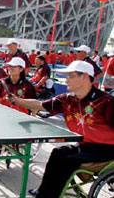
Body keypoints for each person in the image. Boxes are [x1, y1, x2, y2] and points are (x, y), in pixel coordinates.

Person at [9, 61, 114, 198]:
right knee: (58, 152)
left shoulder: (106, 102)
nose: (66, 80)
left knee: (67, 161)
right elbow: (40, 105)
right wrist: (17, 101)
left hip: (107, 150)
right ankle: (44, 192)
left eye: (71, 76)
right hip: (85, 145)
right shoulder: (68, 99)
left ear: (85, 77)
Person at [0, 57, 36, 161]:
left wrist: (33, 120)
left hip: (20, 119)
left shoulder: (28, 86)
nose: (10, 68)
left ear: (21, 69)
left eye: (13, 66)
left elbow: (34, 104)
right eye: (9, 66)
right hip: (3, 115)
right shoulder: (2, 82)